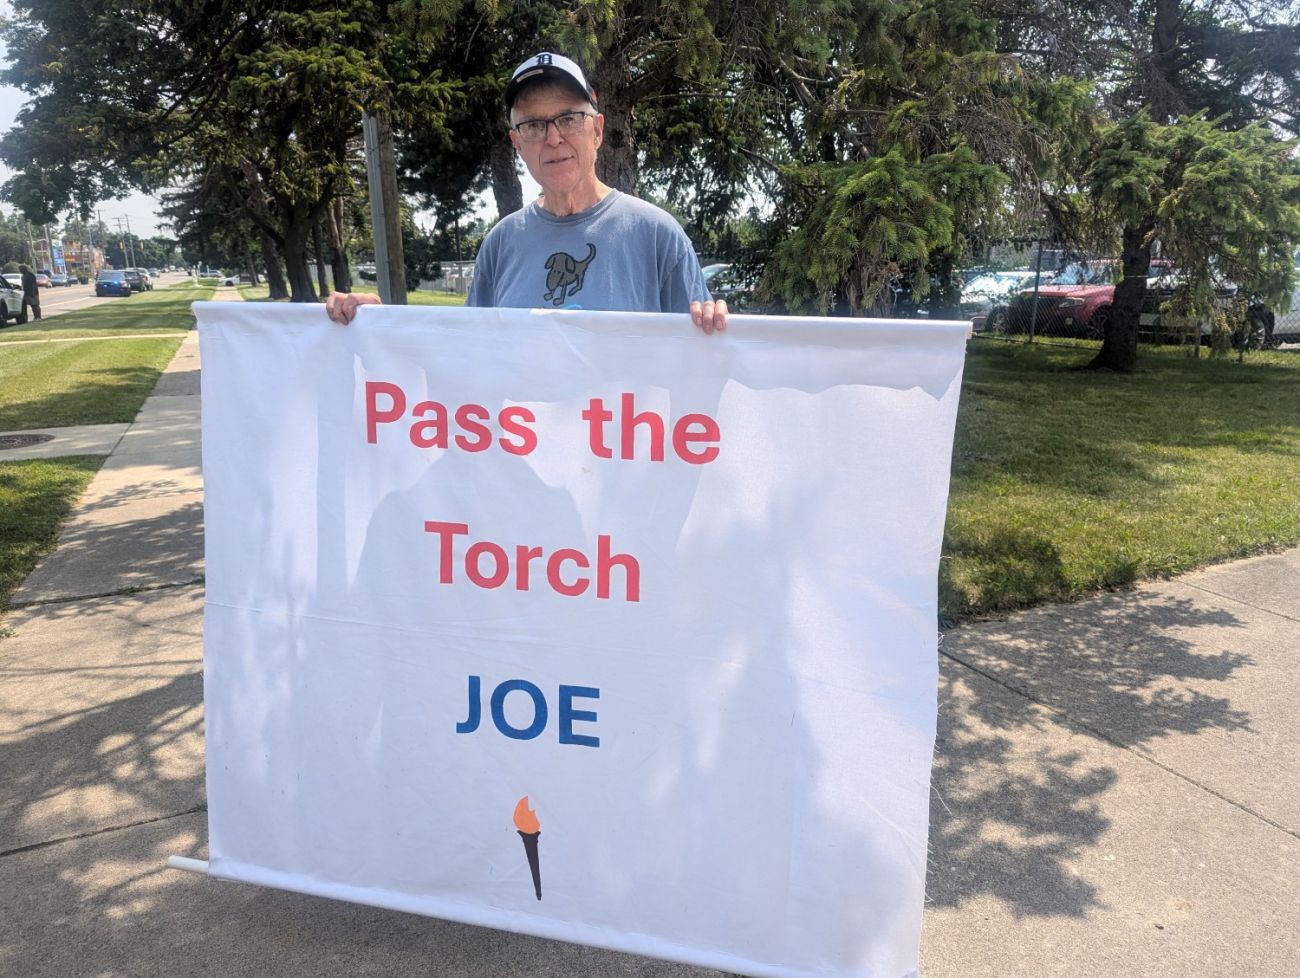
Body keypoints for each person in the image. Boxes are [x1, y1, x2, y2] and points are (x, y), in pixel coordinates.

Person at [328, 51, 726, 334]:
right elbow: (466, 357)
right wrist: (378, 329)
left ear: (598, 130)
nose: (553, 139)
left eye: (569, 119)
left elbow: (698, 365)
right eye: (534, 125)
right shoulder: (501, 244)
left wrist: (718, 327)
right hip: (524, 448)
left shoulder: (657, 235)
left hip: (623, 447)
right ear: (516, 142)